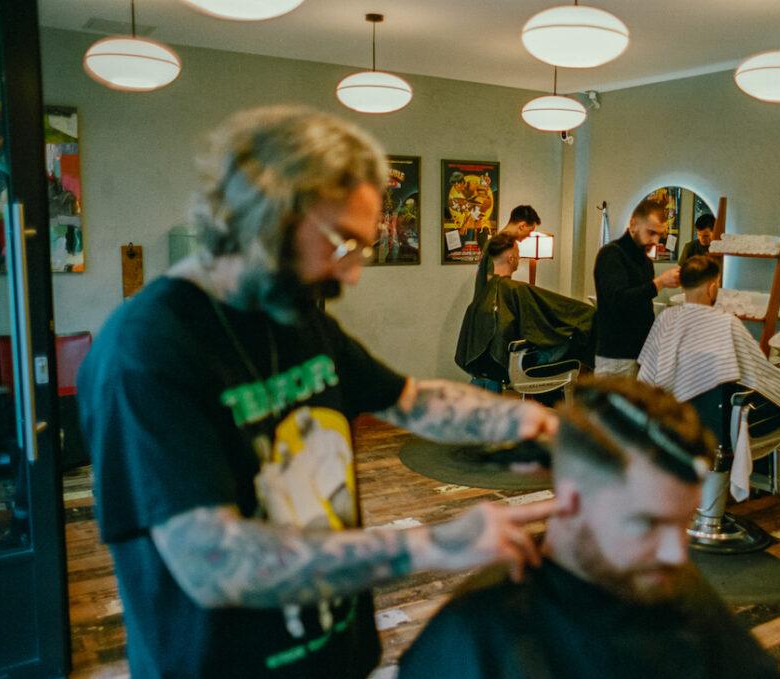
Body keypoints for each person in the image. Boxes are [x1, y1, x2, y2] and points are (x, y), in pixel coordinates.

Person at [76, 106, 559, 679]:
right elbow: (215, 562)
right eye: (342, 243)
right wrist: (435, 547)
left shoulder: (291, 312)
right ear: (270, 212)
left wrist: (542, 426)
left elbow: (410, 399)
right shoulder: (147, 350)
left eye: (364, 247)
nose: (353, 273)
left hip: (337, 653)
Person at [398, 376, 780, 679]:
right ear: (570, 501)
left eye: (682, 523)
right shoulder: (473, 637)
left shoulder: (671, 584)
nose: (676, 554)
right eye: (647, 524)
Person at [638, 256, 780, 495]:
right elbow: (762, 372)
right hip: (716, 429)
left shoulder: (666, 319)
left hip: (672, 423)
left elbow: (648, 376)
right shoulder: (726, 324)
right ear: (713, 287)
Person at [456, 232, 595, 392]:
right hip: (518, 362)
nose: (520, 258)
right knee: (576, 334)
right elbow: (558, 313)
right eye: (519, 254)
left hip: (491, 365)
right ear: (511, 258)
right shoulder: (517, 290)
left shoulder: (483, 293)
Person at [593, 199, 681, 377]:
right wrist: (660, 283)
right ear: (633, 224)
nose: (656, 240)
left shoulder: (646, 262)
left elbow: (641, 305)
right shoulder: (611, 254)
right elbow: (619, 300)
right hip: (616, 355)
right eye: (651, 232)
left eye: (660, 235)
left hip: (641, 353)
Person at [471, 204, 542, 295]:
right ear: (522, 226)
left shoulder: (496, 241)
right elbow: (493, 282)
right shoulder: (501, 244)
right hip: (489, 305)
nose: (529, 235)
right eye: (530, 231)